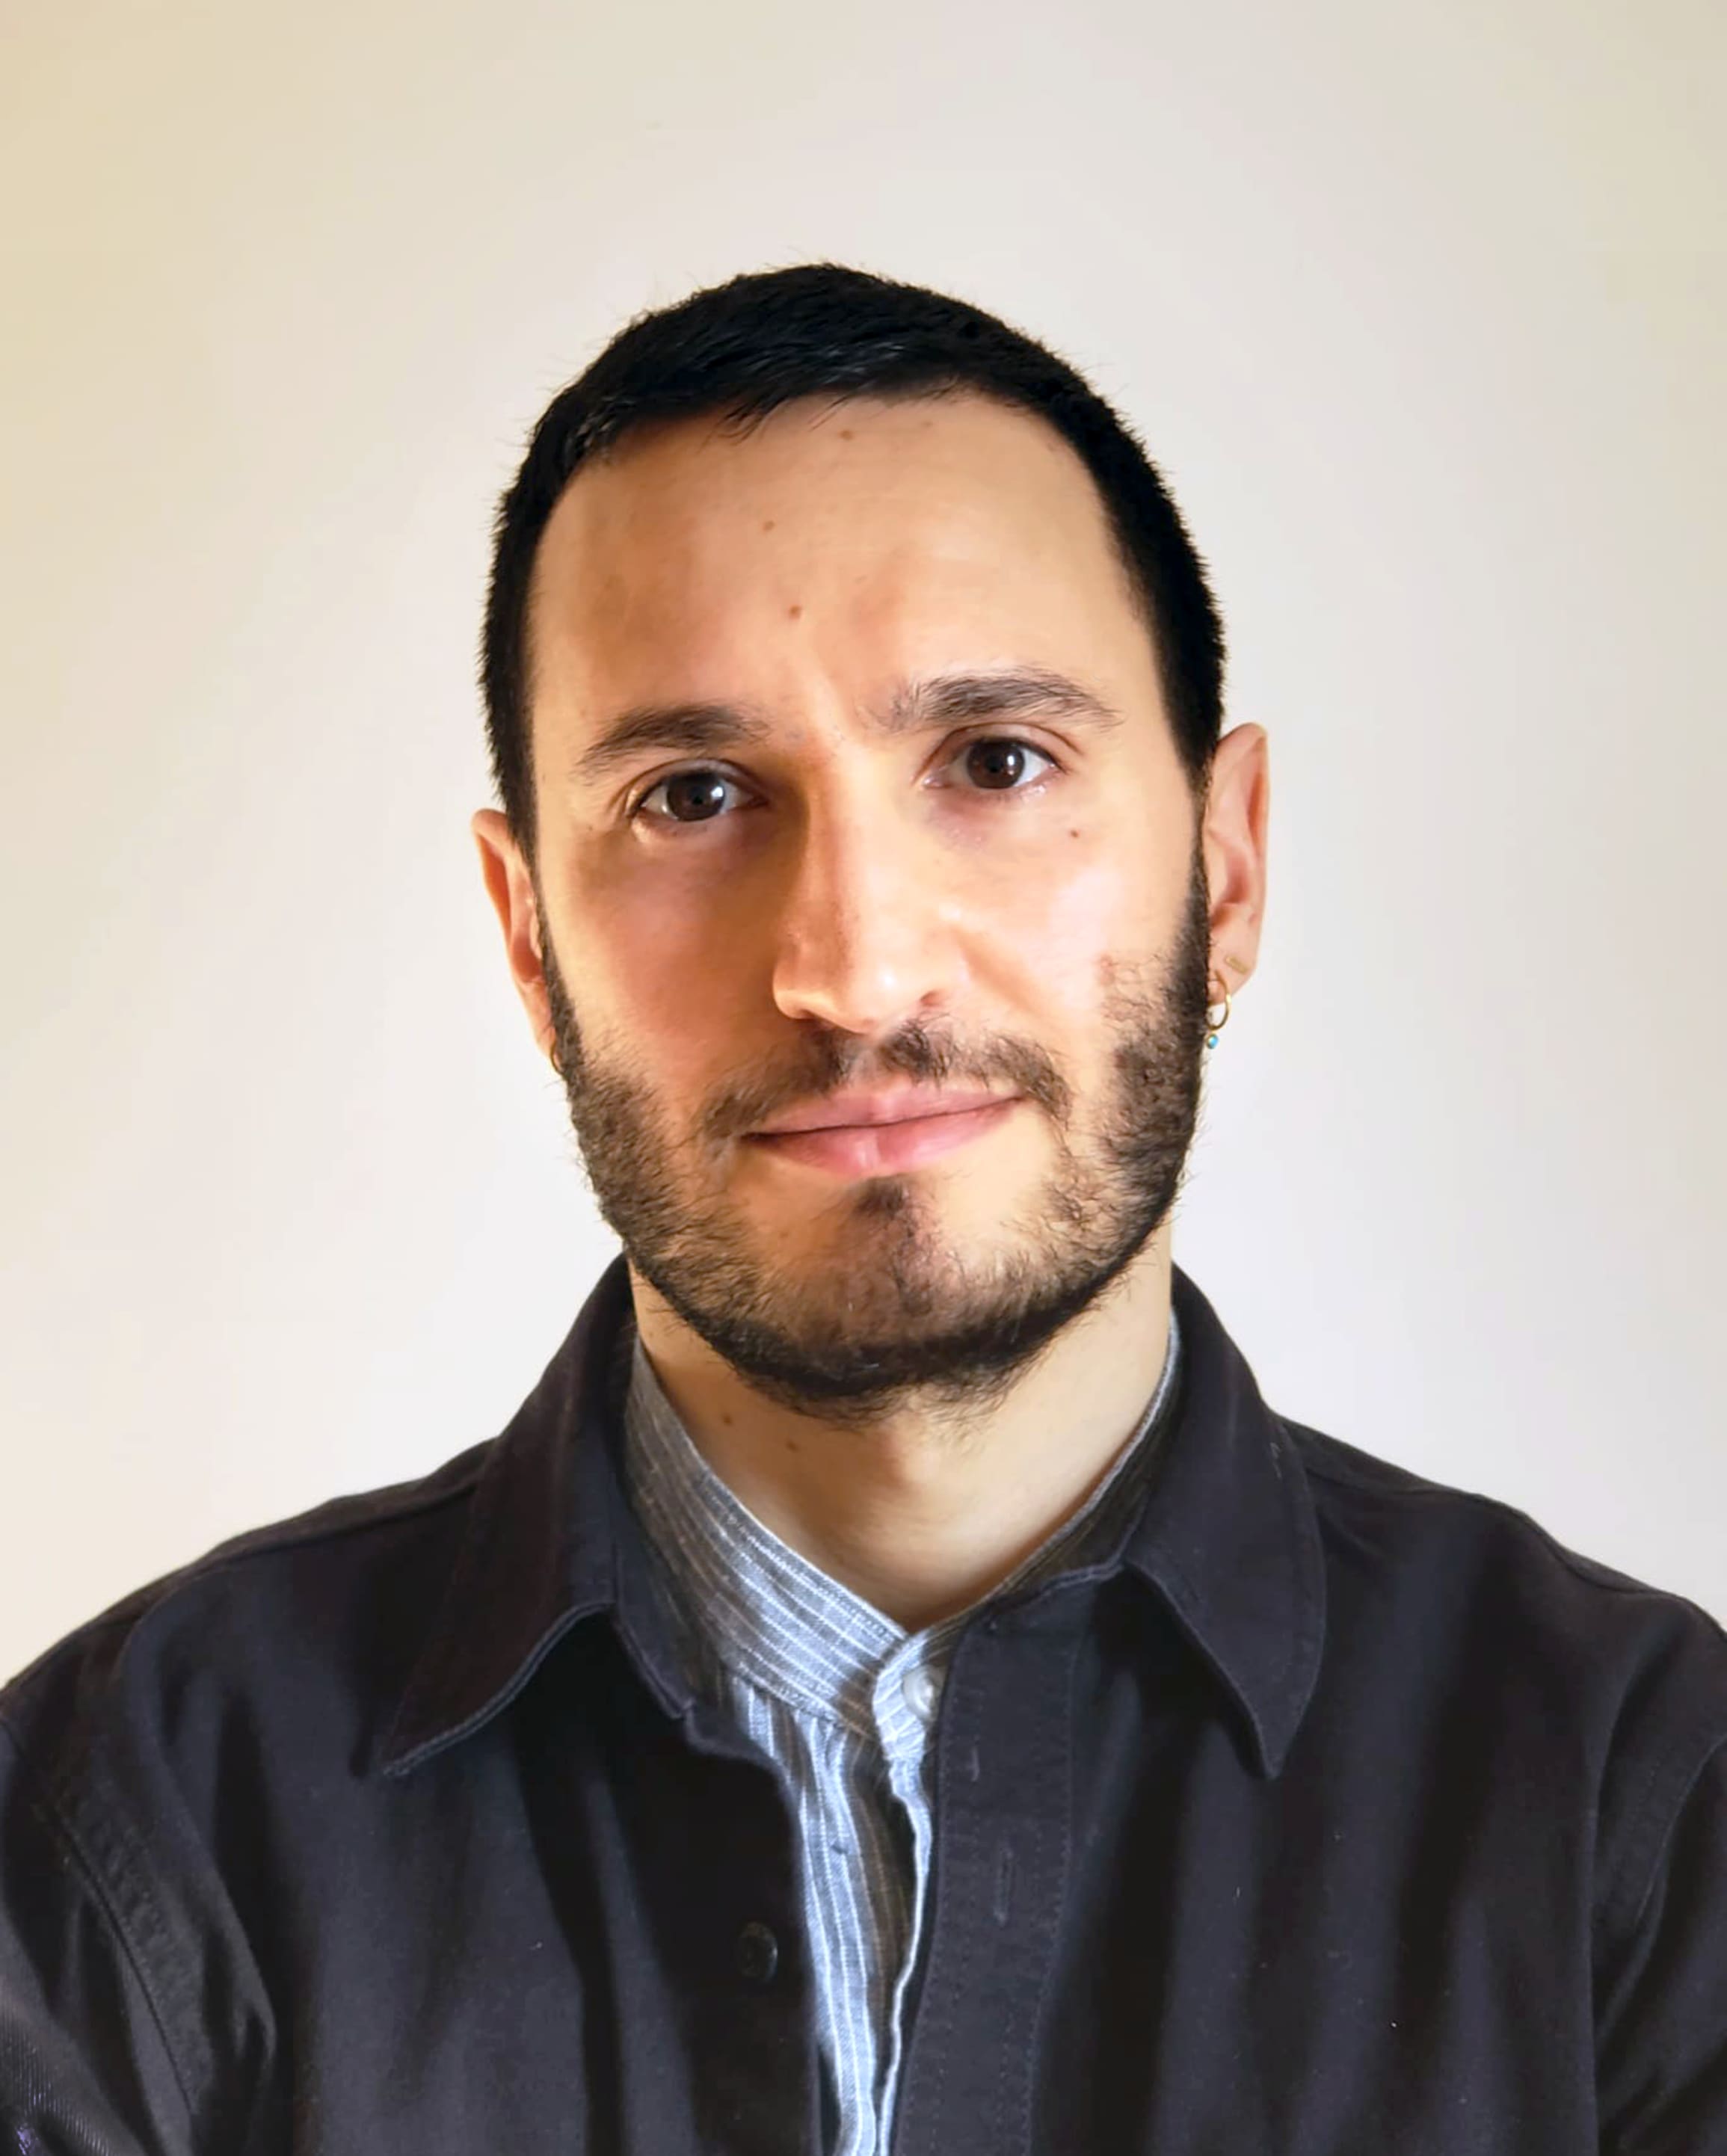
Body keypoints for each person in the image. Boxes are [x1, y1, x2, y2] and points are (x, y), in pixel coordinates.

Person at [1, 265, 1722, 2156]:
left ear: (1226, 869)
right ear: (528, 935)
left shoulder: (1650, 1812)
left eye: (998, 762)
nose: (854, 965)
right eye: (693, 794)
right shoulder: (118, 1825)